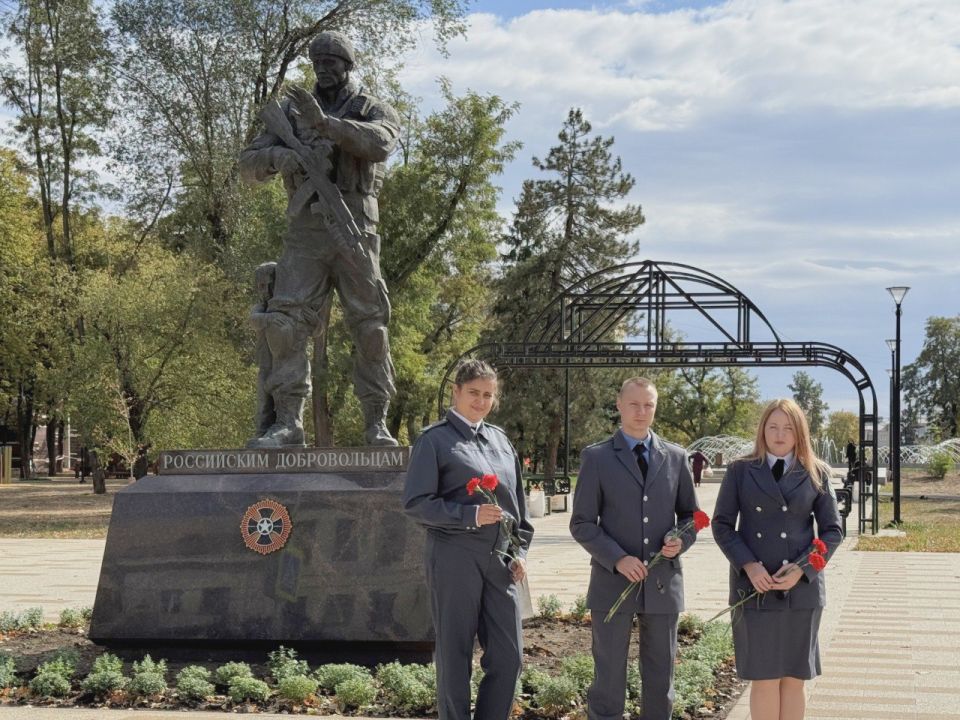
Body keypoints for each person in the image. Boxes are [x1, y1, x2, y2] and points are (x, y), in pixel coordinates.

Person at [239, 30, 400, 447]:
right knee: (285, 324)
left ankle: (376, 423)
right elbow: (248, 165)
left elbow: (382, 143)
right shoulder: (289, 112)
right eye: (317, 62)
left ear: (348, 65)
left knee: (371, 326)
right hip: (305, 233)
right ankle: (288, 422)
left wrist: (327, 125)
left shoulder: (371, 108)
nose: (323, 69)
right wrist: (280, 155)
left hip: (354, 227)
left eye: (331, 62)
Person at [403, 360, 534, 720]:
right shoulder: (434, 440)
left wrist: (520, 551)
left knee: (509, 656)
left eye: (488, 395)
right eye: (474, 392)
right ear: (456, 392)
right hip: (454, 557)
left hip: (501, 563)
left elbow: (518, 509)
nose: (481, 401)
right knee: (455, 653)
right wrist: (469, 515)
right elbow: (415, 503)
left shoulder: (501, 441)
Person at [569, 377, 699, 720]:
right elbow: (581, 523)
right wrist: (618, 558)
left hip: (662, 582)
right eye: (634, 404)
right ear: (619, 405)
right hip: (612, 584)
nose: (642, 412)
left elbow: (691, 517)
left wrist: (679, 539)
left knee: (660, 676)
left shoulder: (676, 457)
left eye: (648, 405)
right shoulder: (596, 457)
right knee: (608, 676)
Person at [711, 398, 843, 720]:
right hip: (754, 588)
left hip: (802, 590)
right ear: (763, 430)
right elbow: (722, 524)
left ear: (799, 433)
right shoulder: (741, 470)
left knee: (794, 679)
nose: (780, 435)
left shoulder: (816, 472)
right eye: (773, 427)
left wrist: (802, 569)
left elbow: (832, 531)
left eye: (787, 428)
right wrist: (749, 565)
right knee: (764, 679)